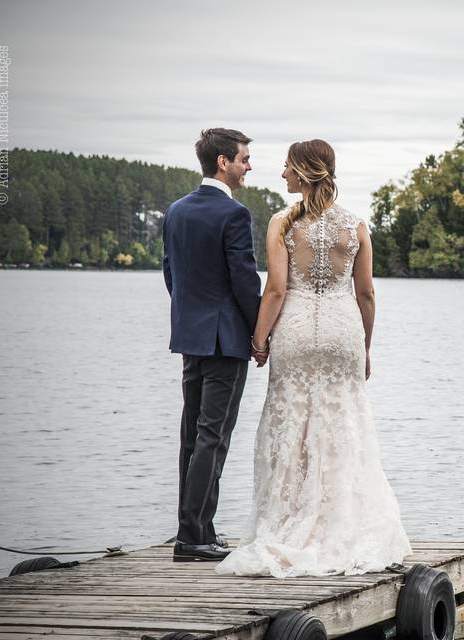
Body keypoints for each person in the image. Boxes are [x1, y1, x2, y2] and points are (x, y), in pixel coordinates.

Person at [216, 139, 411, 577]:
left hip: (298, 333)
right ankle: (342, 524)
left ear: (303, 173)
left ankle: (290, 522)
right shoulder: (357, 226)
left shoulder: (282, 224)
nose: (282, 174)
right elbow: (366, 293)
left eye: (287, 168)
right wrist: (366, 346)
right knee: (343, 424)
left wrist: (259, 340)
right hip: (343, 333)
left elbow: (277, 290)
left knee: (294, 426)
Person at [162, 128, 267, 562]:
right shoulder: (233, 215)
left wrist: (192, 316)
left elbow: (171, 273)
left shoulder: (176, 211)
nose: (248, 166)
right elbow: (244, 281)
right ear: (223, 162)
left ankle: (198, 528)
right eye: (244, 158)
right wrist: (260, 332)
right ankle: (193, 538)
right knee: (214, 436)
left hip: (191, 336)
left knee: (194, 433)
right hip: (225, 340)